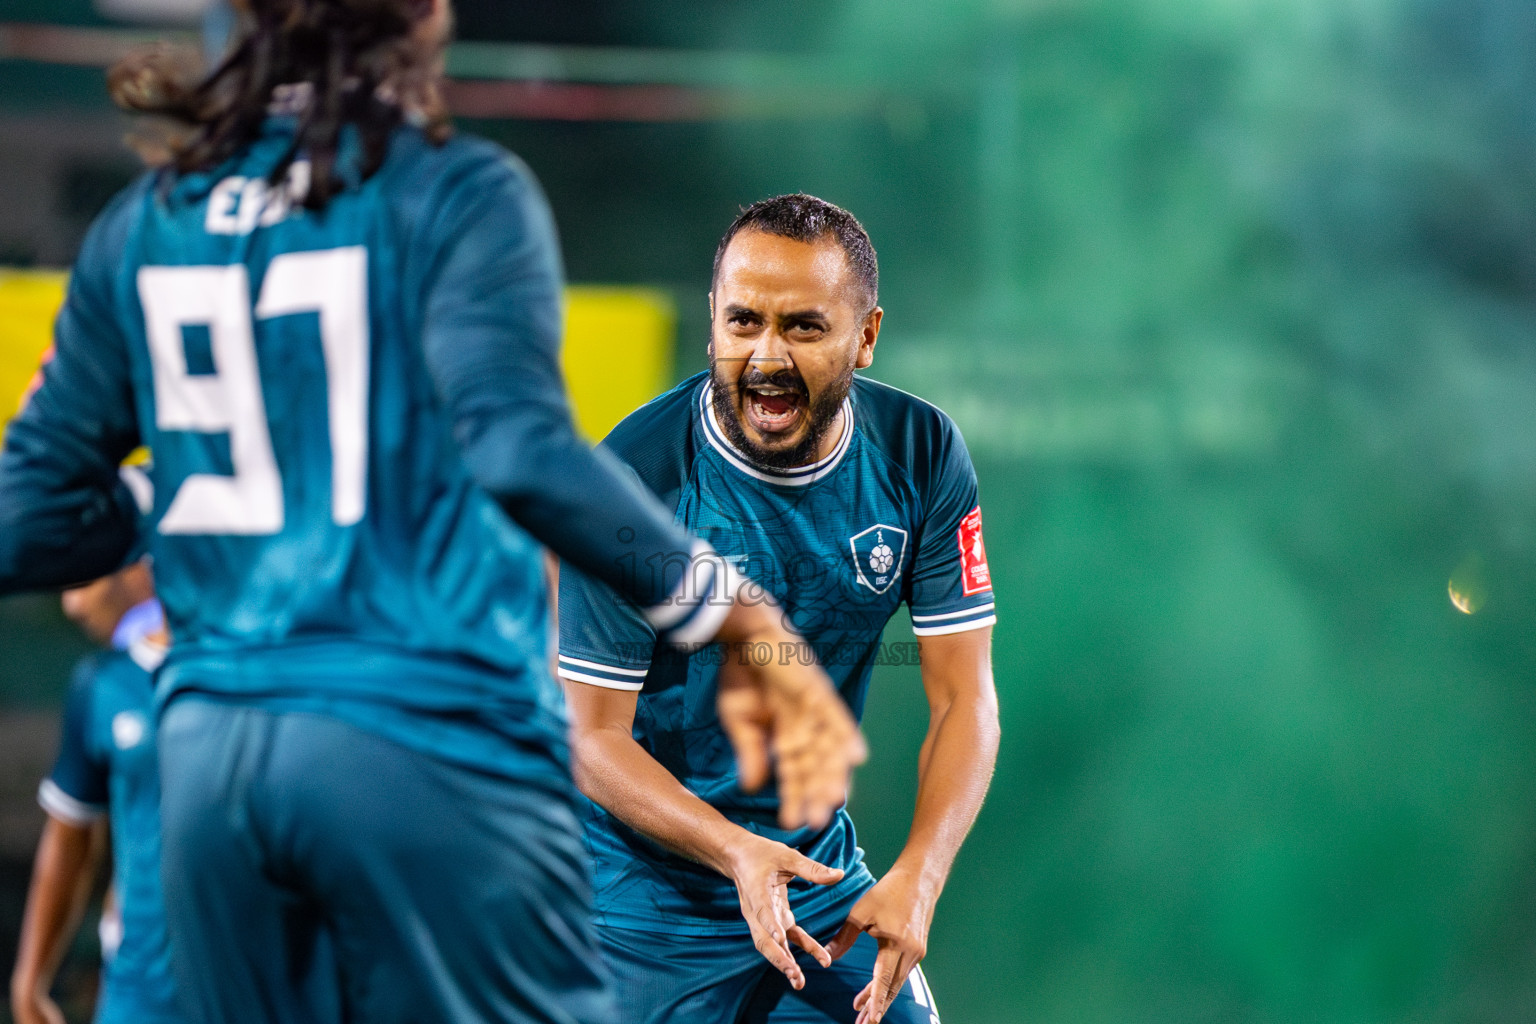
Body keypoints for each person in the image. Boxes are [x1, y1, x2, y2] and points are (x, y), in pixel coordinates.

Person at [0, 3, 864, 1021]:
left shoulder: (147, 221)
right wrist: (727, 607)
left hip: (213, 768)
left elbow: (28, 520)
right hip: (424, 751)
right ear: (412, 22)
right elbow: (521, 450)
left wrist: (178, 483)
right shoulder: (457, 192)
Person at [558, 194, 1002, 1024]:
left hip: (815, 884)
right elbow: (591, 736)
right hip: (642, 907)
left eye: (802, 327)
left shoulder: (922, 453)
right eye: (742, 323)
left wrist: (919, 875)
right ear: (712, 329)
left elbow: (964, 697)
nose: (765, 356)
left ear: (865, 337)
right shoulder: (630, 481)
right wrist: (733, 851)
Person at [9, 560, 184, 1024]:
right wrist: (30, 979)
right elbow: (69, 835)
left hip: (248, 973)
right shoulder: (103, 683)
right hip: (140, 988)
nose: (73, 605)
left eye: (84, 579)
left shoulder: (253, 677)